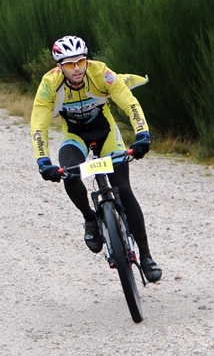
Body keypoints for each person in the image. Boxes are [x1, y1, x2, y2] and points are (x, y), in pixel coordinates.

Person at [30, 35, 162, 283]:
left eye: (80, 61)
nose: (77, 68)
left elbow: (129, 102)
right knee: (68, 174)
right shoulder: (49, 84)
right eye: (69, 64)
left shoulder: (101, 72)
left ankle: (146, 257)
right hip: (75, 136)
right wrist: (43, 161)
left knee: (124, 188)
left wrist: (142, 133)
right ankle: (90, 219)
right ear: (59, 66)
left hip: (106, 133)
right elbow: (39, 125)